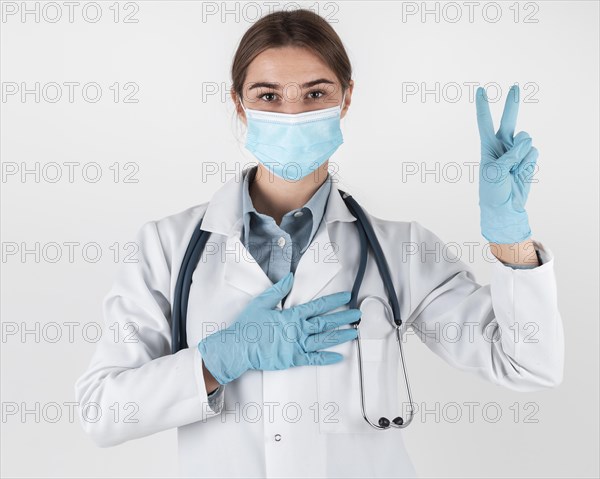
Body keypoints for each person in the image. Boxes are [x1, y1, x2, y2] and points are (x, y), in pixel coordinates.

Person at [75, 9, 564, 478]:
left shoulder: (401, 249)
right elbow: (102, 410)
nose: (292, 113)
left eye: (315, 93)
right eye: (268, 95)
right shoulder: (169, 247)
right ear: (238, 102)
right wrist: (220, 357)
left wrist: (512, 240)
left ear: (346, 98)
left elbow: (527, 364)